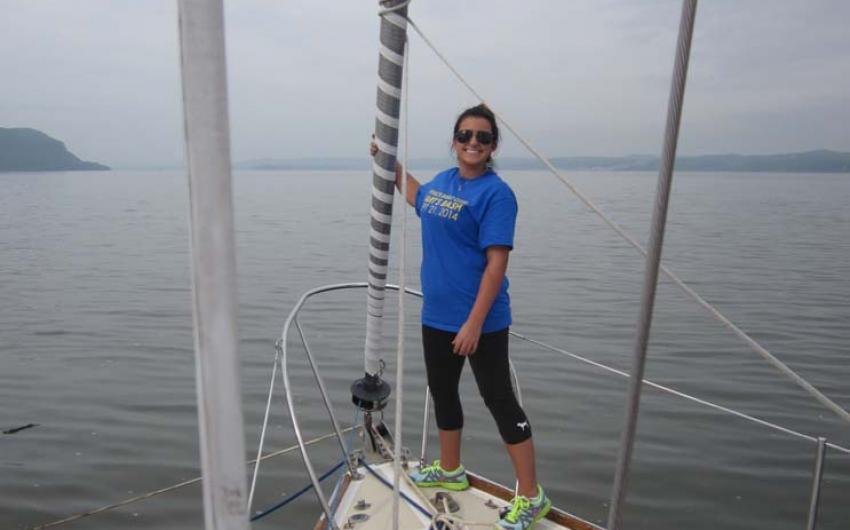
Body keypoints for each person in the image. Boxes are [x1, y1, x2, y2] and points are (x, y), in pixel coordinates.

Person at [372, 104, 550, 530]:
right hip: (437, 313)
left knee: (499, 400)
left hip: (481, 320)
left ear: (493, 146)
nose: (473, 142)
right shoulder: (443, 183)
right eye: (466, 135)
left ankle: (531, 496)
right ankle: (450, 470)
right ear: (454, 141)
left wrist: (473, 323)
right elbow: (418, 197)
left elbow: (496, 265)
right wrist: (390, 163)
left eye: (483, 137)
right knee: (443, 392)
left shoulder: (496, 194)